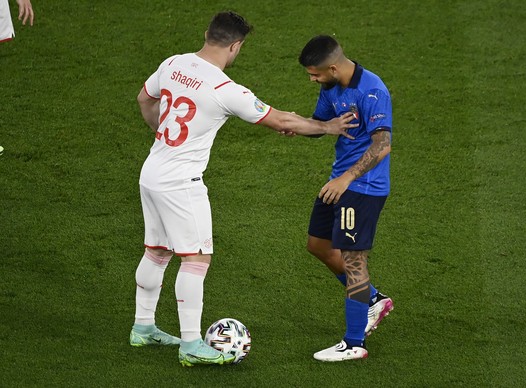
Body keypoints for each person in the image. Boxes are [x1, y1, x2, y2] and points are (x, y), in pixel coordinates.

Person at [129, 12, 357, 367]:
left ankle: (143, 327)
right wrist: (327, 128)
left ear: (207, 34)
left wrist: (163, 132)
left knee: (157, 251)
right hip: (181, 182)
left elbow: (145, 100)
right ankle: (190, 344)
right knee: (195, 258)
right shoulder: (225, 90)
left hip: (152, 172)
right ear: (236, 46)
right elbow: (281, 120)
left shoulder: (173, 63)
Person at [297, 35, 394, 362]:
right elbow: (320, 124)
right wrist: (301, 126)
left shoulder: (373, 91)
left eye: (315, 74)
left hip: (362, 187)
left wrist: (347, 178)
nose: (312, 79)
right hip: (339, 182)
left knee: (353, 260)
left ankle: (354, 343)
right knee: (318, 244)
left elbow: (382, 145)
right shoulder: (331, 87)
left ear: (333, 67)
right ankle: (373, 299)